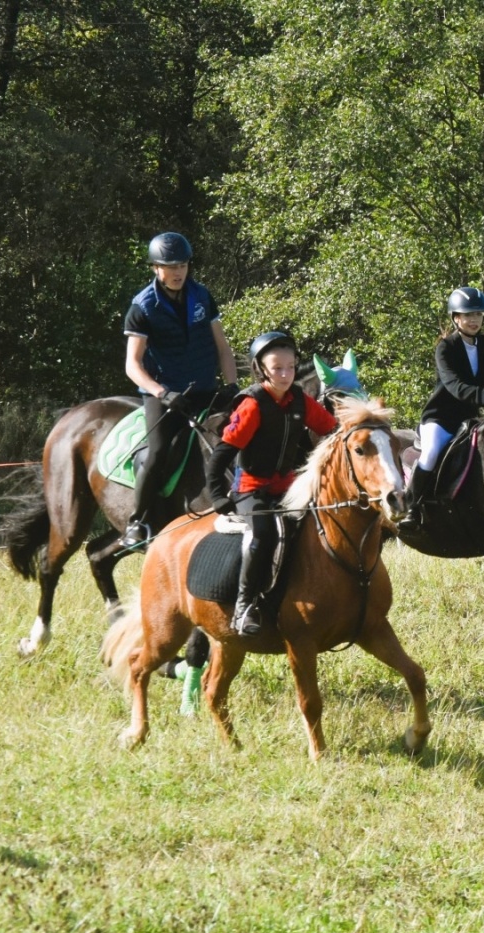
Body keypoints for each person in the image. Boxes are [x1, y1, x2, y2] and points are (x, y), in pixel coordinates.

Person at [206, 332, 338, 635]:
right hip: (252, 489)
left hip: (289, 488)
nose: (285, 374)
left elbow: (331, 430)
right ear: (261, 369)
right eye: (277, 368)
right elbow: (222, 455)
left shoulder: (301, 401)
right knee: (262, 535)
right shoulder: (252, 405)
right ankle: (244, 607)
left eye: (290, 367)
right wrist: (216, 495)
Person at [121, 232, 239, 547]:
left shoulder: (202, 296)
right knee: (158, 452)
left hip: (206, 388)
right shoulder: (142, 306)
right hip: (166, 395)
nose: (178, 272)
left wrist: (232, 385)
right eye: (170, 266)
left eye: (183, 265)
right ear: (155, 268)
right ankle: (137, 522)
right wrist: (161, 393)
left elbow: (223, 348)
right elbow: (132, 365)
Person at [398, 287, 484, 531]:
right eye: (468, 315)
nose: (474, 320)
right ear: (456, 318)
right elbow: (455, 386)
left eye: (478, 314)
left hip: (469, 419)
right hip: (440, 419)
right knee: (431, 453)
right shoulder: (445, 348)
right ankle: (410, 506)